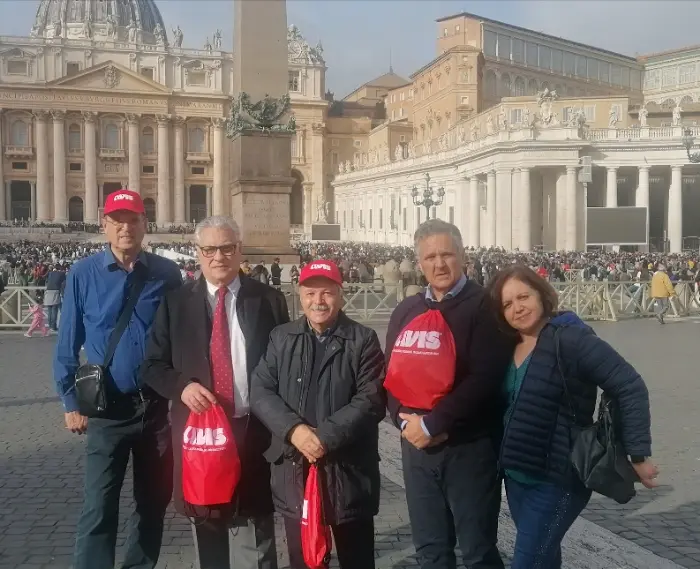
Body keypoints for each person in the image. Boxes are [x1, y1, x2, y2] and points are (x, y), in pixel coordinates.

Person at [141, 215, 289, 569]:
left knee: (254, 536)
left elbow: (286, 365)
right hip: (200, 439)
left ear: (239, 251)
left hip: (253, 432)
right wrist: (182, 386)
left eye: (227, 248)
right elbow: (151, 365)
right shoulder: (175, 303)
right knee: (208, 536)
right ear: (198, 253)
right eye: (210, 249)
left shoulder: (269, 299)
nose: (218, 256)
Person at [487, 265, 658, 569]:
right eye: (508, 304)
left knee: (528, 562)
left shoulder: (571, 339)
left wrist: (638, 453)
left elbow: (630, 386)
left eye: (523, 296)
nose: (518, 308)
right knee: (545, 557)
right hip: (516, 477)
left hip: (559, 479)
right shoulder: (506, 344)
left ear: (541, 293)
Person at [53, 189, 182, 569]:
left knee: (153, 502)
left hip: (157, 409)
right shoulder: (82, 274)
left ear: (145, 225)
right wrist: (69, 401)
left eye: (133, 219)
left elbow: (182, 332)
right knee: (99, 504)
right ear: (104, 224)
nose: (125, 227)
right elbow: (67, 342)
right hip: (107, 408)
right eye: (117, 220)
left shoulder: (166, 273)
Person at [385, 219, 512, 569]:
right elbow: (390, 375)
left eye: (447, 254)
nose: (439, 264)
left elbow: (486, 379)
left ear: (462, 256)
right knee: (430, 550)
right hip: (417, 450)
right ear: (419, 262)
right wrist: (403, 421)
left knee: (478, 551)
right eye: (430, 257)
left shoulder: (486, 308)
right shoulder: (406, 310)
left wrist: (434, 423)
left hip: (469, 448)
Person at [251, 259, 385, 569]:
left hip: (347, 472)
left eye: (326, 293)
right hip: (294, 470)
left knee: (357, 559)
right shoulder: (281, 337)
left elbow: (371, 398)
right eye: (311, 294)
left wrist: (323, 437)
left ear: (340, 294)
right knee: (304, 561)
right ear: (300, 295)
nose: (318, 302)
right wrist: (294, 431)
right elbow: (260, 390)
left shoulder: (363, 339)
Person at [44, 263, 66, 332]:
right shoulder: (62, 274)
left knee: (49, 310)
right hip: (55, 291)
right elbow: (64, 282)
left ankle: (50, 325)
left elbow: (46, 278)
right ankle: (53, 327)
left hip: (48, 291)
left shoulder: (50, 273)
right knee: (54, 310)